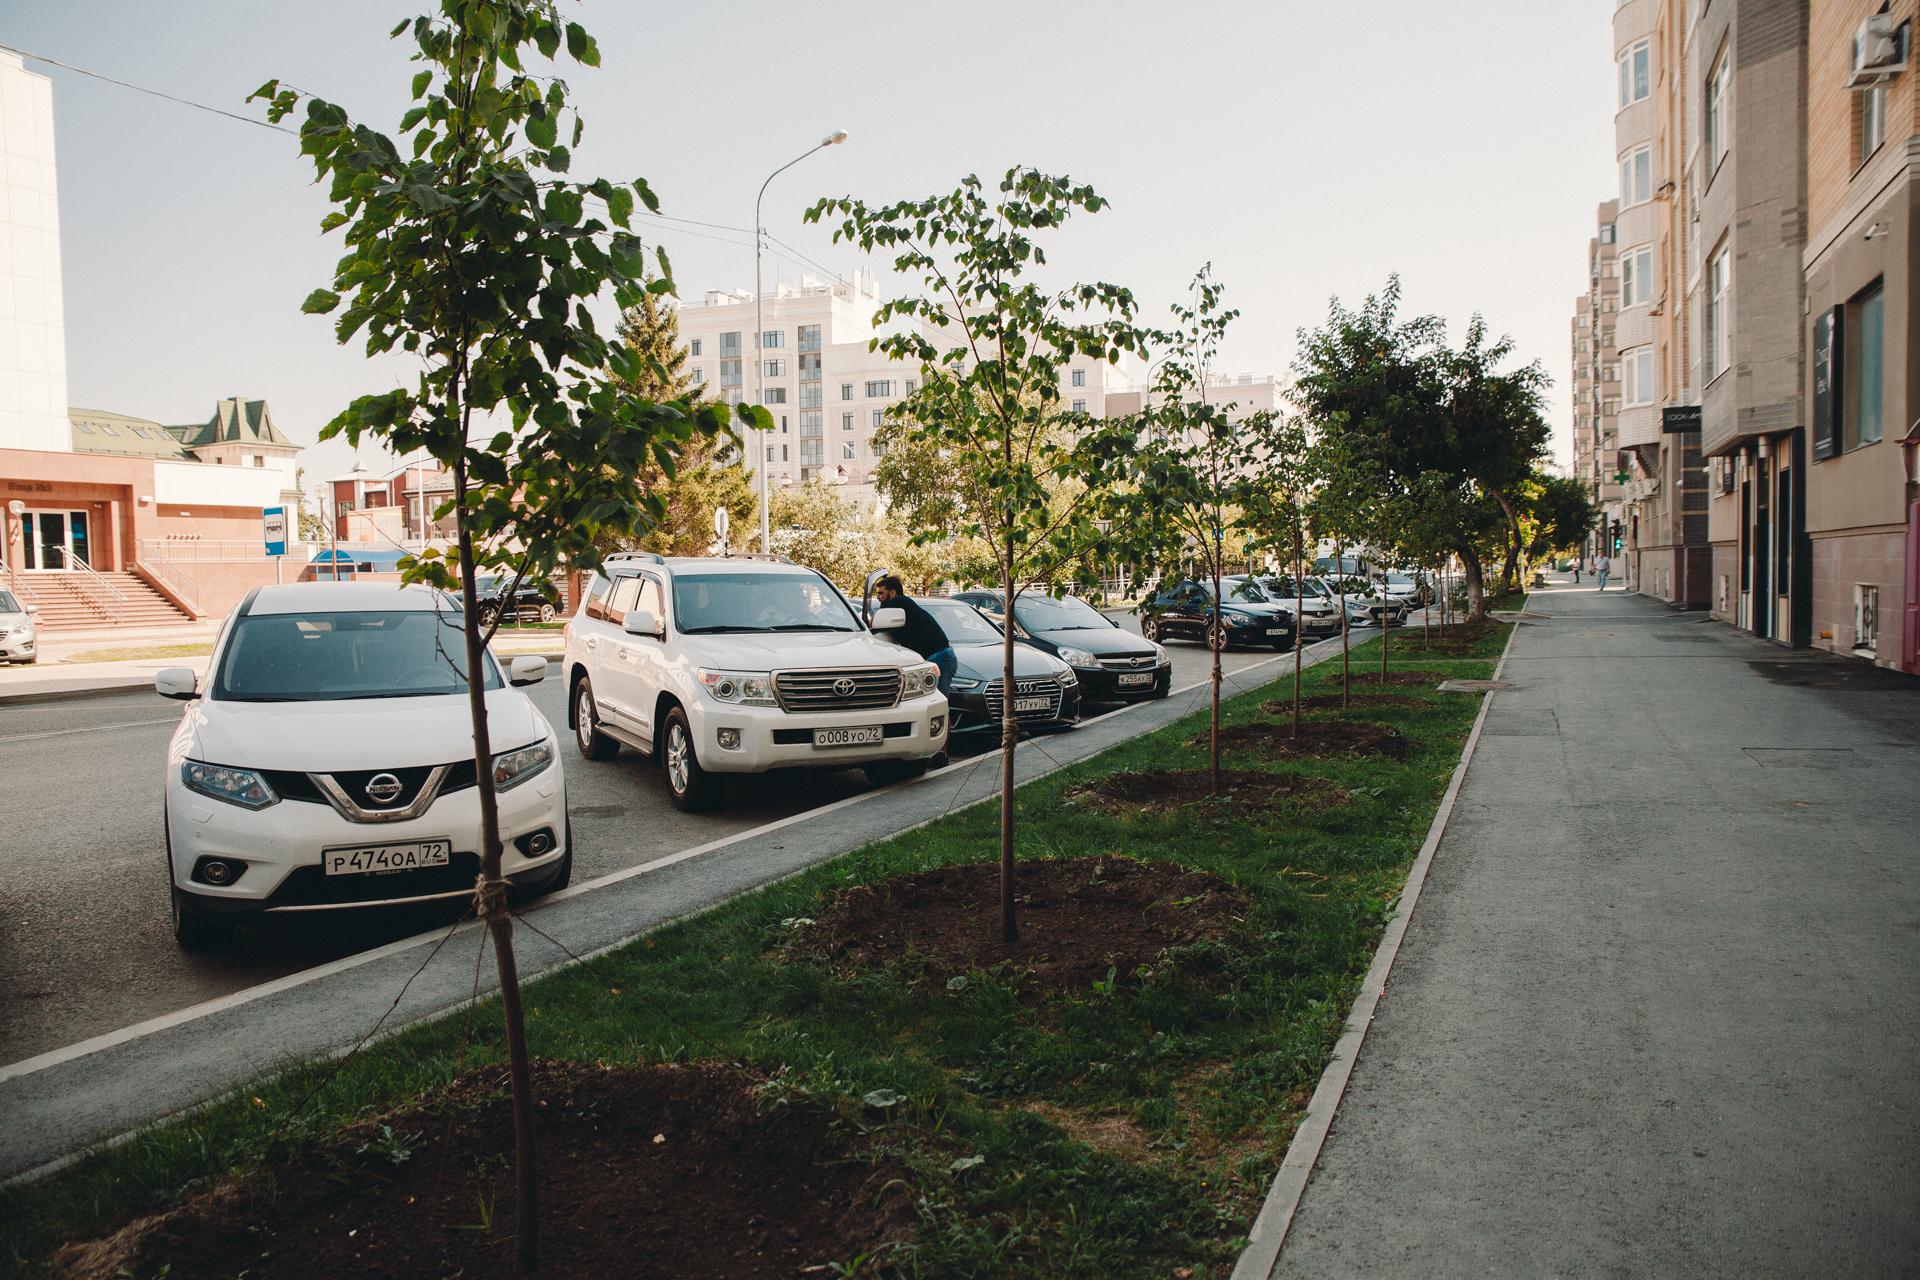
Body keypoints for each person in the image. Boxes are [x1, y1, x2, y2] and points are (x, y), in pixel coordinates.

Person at [872, 574, 957, 693]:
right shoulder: (901, 605)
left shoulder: (898, 601)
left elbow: (875, 622)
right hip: (936, 657)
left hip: (938, 658)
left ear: (892, 593)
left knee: (936, 702)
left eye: (881, 593)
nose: (878, 597)